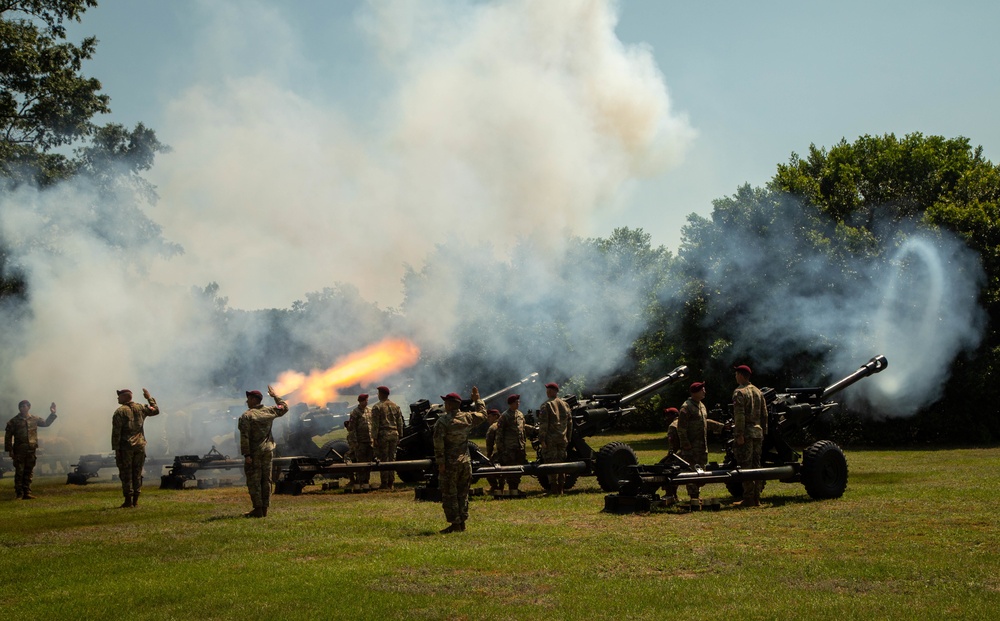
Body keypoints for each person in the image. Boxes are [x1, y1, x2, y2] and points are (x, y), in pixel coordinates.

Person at [433, 388, 487, 533]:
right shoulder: (468, 418)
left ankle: (455, 524)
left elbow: (438, 444)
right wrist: (478, 400)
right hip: (465, 462)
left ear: (449, 405)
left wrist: (441, 463)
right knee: (463, 493)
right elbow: (483, 415)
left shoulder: (442, 421)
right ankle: (462, 522)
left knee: (449, 494)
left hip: (450, 464)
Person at [238, 386, 289, 517]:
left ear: (254, 400)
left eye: (248, 399)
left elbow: (244, 437)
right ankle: (265, 508)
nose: (247, 401)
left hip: (254, 453)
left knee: (254, 480)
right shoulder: (270, 411)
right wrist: (275, 395)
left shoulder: (247, 416)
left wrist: (247, 455)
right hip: (268, 451)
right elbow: (284, 407)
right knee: (266, 480)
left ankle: (258, 509)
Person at [676, 382, 725, 505]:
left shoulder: (701, 406)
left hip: (702, 446)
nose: (704, 392)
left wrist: (721, 427)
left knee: (701, 471)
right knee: (692, 472)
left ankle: (696, 495)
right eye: (702, 390)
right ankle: (694, 497)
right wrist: (685, 444)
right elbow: (681, 428)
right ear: (695, 392)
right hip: (691, 447)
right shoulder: (686, 407)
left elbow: (704, 422)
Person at [111, 388, 160, 508]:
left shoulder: (119, 412)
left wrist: (116, 449)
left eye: (119, 396)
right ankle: (136, 500)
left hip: (125, 447)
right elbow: (156, 410)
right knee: (137, 473)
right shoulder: (141, 408)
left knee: (126, 473)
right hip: (140, 446)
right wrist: (149, 398)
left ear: (125, 397)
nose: (118, 398)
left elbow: (116, 433)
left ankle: (128, 500)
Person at [4, 400, 58, 500]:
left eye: (25, 406)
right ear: (19, 408)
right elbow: (8, 437)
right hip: (19, 450)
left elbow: (46, 423)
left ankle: (27, 492)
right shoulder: (14, 421)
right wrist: (9, 450)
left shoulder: (34, 419)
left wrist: (52, 413)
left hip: (31, 449)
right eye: (21, 406)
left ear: (29, 407)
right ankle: (19, 494)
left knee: (29, 471)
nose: (23, 408)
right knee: (20, 471)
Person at [732, 364, 768, 507]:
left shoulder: (739, 392)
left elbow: (739, 416)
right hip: (757, 433)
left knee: (746, 465)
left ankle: (748, 498)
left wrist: (739, 434)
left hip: (746, 433)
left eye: (736, 374)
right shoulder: (758, 392)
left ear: (741, 375)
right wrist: (764, 432)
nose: (735, 377)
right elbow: (765, 414)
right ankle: (756, 498)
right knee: (756, 465)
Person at [537, 382, 573, 494]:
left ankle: (554, 489)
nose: (547, 392)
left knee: (551, 464)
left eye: (548, 390)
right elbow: (570, 423)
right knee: (561, 463)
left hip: (550, 440)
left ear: (553, 391)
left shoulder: (546, 405)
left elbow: (543, 424)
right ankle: (561, 488)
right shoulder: (565, 404)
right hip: (562, 439)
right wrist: (568, 438)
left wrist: (542, 440)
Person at [370, 385, 404, 490]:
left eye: (378, 393)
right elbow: (400, 423)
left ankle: (384, 483)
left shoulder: (377, 407)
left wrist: (374, 438)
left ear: (381, 394)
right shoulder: (395, 406)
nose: (378, 395)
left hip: (383, 435)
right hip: (394, 434)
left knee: (384, 459)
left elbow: (375, 424)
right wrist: (400, 436)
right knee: (392, 459)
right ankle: (391, 482)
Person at [495, 394, 527, 494]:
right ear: (510, 404)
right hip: (509, 448)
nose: (518, 404)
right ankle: (511, 489)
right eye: (515, 402)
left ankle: (515, 488)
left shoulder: (520, 415)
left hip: (519, 447)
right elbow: (499, 434)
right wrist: (501, 449)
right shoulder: (504, 416)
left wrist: (523, 443)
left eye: (518, 402)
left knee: (518, 468)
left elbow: (523, 430)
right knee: (510, 468)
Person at [348, 393, 375, 487]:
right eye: (365, 401)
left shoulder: (370, 411)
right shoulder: (355, 413)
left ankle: (366, 481)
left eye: (367, 400)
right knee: (361, 463)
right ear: (360, 401)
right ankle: (360, 481)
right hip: (361, 442)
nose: (366, 402)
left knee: (369, 462)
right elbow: (352, 428)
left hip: (370, 441)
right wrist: (355, 442)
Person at [662, 407, 680, 503]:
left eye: (667, 416)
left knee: (665, 468)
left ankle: (670, 494)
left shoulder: (673, 426)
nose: (666, 418)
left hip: (679, 455)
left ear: (674, 415)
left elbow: (673, 447)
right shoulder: (685, 423)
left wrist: (667, 458)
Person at [483, 408, 503, 494]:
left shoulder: (493, 427)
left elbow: (489, 444)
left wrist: (488, 456)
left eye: (489, 417)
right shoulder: (507, 423)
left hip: (500, 453)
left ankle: (494, 486)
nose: (488, 419)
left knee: (487, 467)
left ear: (495, 416)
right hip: (513, 451)